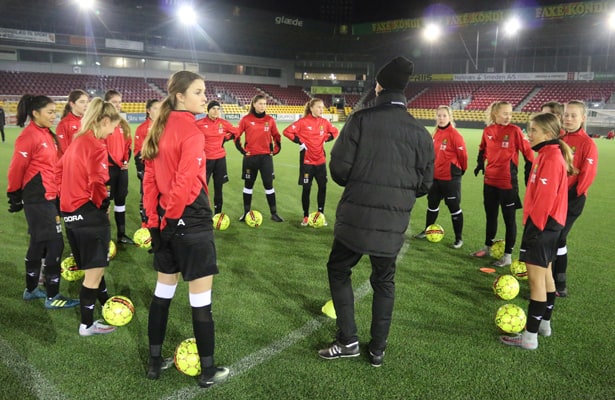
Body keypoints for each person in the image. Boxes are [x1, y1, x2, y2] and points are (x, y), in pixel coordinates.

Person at [318, 57, 434, 367]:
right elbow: (425, 184)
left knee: (339, 269)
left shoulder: (361, 120)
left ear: (379, 87)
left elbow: (339, 170)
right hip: (393, 221)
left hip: (356, 217)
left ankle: (348, 340)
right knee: (384, 281)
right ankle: (378, 349)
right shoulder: (421, 133)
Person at [141, 71, 228, 387]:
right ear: (180, 96)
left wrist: (155, 223)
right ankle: (208, 371)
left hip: (164, 221)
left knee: (162, 294)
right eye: (198, 92)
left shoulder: (159, 126)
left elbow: (150, 181)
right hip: (190, 220)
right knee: (200, 301)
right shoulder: (191, 131)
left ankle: (154, 363)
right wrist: (171, 220)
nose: (205, 98)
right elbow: (185, 181)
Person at [500, 112, 575, 350]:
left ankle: (529, 337)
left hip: (542, 227)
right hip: (548, 227)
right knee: (546, 276)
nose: (528, 134)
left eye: (533, 130)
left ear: (548, 133)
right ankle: (544, 325)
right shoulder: (547, 154)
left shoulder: (551, 158)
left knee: (536, 282)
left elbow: (544, 200)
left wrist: (535, 231)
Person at [56, 98, 122, 336]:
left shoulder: (77, 141)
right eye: (112, 126)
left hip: (70, 214)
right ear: (104, 121)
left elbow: (58, 171)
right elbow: (97, 182)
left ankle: (105, 304)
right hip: (88, 214)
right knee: (94, 273)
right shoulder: (95, 145)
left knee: (94, 267)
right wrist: (103, 204)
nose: (113, 132)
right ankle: (86, 324)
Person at [7, 94, 79, 309]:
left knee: (38, 243)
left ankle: (31, 290)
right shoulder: (29, 136)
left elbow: (52, 167)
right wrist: (14, 194)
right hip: (38, 198)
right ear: (35, 113)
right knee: (55, 244)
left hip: (50, 195)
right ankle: (53, 296)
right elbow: (17, 167)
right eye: (50, 112)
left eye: (55, 112)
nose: (54, 115)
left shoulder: (46, 133)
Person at [472, 101, 534, 267]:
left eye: (510, 113)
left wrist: (528, 173)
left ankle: (507, 256)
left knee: (509, 220)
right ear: (495, 114)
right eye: (505, 113)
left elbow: (528, 154)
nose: (508, 117)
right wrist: (480, 163)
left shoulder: (515, 131)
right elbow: (482, 149)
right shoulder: (488, 131)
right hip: (489, 182)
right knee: (491, 216)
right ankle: (487, 247)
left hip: (508, 184)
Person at [551, 100, 598, 297]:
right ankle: (548, 281)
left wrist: (571, 194)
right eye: (566, 115)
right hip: (553, 196)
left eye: (573, 115)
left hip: (572, 199)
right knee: (551, 238)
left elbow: (587, 175)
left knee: (559, 237)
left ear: (583, 118)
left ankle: (559, 284)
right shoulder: (559, 137)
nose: (568, 119)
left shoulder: (587, 143)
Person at [414, 106, 467, 248]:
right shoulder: (435, 133)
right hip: (435, 178)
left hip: (450, 179)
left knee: (454, 207)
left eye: (444, 115)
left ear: (450, 117)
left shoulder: (455, 135)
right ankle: (427, 230)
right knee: (432, 205)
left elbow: (463, 157)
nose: (441, 118)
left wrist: (460, 170)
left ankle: (458, 238)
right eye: (439, 115)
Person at [283, 98, 339, 226]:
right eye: (319, 107)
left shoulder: (324, 122)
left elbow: (335, 132)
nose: (321, 109)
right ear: (312, 108)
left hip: (321, 162)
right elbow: (287, 132)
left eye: (322, 107)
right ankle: (305, 216)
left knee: (322, 187)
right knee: (306, 189)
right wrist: (300, 141)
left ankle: (321, 214)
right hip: (307, 163)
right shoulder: (303, 122)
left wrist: (326, 139)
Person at [234, 94, 284, 222]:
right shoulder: (246, 119)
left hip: (265, 158)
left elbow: (277, 136)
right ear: (254, 104)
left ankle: (274, 214)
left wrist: (275, 151)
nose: (262, 106)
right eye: (260, 103)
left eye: (264, 104)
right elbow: (236, 136)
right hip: (250, 158)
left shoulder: (270, 120)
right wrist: (242, 150)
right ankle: (246, 213)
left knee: (268, 184)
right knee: (248, 185)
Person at [104, 90, 134, 244]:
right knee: (105, 203)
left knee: (121, 200)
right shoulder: (102, 122)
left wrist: (126, 161)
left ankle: (121, 235)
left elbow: (128, 145)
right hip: (107, 169)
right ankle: (105, 237)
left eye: (119, 102)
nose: (117, 105)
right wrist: (117, 163)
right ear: (107, 103)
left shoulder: (123, 123)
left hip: (121, 169)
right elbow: (101, 147)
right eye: (114, 102)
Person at [197, 100, 237, 215]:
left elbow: (236, 132)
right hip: (206, 160)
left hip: (220, 160)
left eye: (218, 109)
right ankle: (202, 213)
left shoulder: (223, 123)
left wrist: (226, 138)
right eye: (213, 109)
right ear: (208, 110)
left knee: (218, 188)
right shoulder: (199, 123)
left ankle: (218, 214)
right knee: (202, 188)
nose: (216, 111)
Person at [134, 98, 161, 226]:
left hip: (164, 169)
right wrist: (140, 170)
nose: (158, 111)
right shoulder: (142, 128)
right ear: (148, 111)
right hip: (148, 170)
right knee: (147, 198)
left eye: (160, 108)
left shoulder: (165, 126)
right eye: (155, 108)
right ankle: (145, 225)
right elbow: (138, 152)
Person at [56, 89, 89, 155]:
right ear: (72, 104)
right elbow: (64, 149)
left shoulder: (89, 121)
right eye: (82, 102)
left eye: (87, 102)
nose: (86, 105)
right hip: (72, 160)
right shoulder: (64, 124)